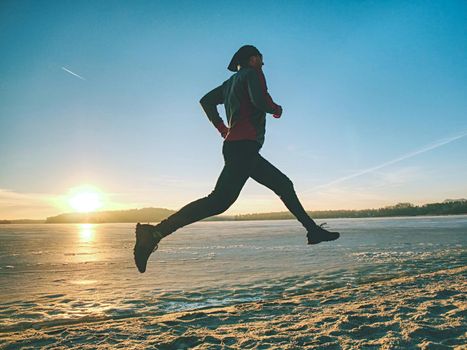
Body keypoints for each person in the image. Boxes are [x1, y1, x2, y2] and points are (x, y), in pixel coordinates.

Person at [134, 45, 340, 273]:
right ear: (253, 59)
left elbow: (206, 101)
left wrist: (223, 128)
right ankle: (154, 233)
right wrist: (276, 108)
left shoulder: (229, 83)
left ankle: (312, 230)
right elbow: (260, 101)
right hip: (243, 148)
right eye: (261, 59)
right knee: (219, 201)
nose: (263, 63)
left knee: (281, 185)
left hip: (239, 148)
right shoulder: (252, 74)